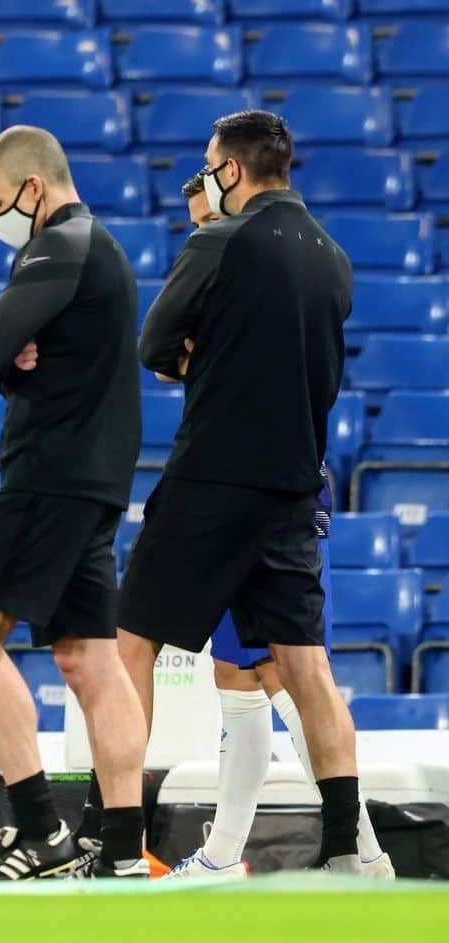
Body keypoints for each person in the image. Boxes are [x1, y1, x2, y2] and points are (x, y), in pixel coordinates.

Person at [117, 110, 365, 873]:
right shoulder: (334, 258)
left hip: (211, 481)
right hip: (294, 486)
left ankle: (117, 842)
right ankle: (346, 851)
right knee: (306, 666)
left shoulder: (217, 240)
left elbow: (156, 346)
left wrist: (212, 364)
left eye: (207, 165)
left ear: (230, 170)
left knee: (131, 644)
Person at [156, 172, 393, 880]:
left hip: (268, 490)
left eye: (206, 208)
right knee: (246, 670)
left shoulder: (254, 263)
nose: (201, 225)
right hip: (258, 483)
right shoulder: (253, 260)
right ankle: (235, 854)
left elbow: (191, 360)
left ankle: (359, 850)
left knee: (289, 669)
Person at [0, 125, 149, 882]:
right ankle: (123, 848)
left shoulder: (60, 243)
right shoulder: (104, 249)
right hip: (96, 484)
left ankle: (39, 830)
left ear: (34, 187)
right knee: (90, 660)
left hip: (49, 478)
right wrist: (19, 350)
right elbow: (10, 348)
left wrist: (10, 354)